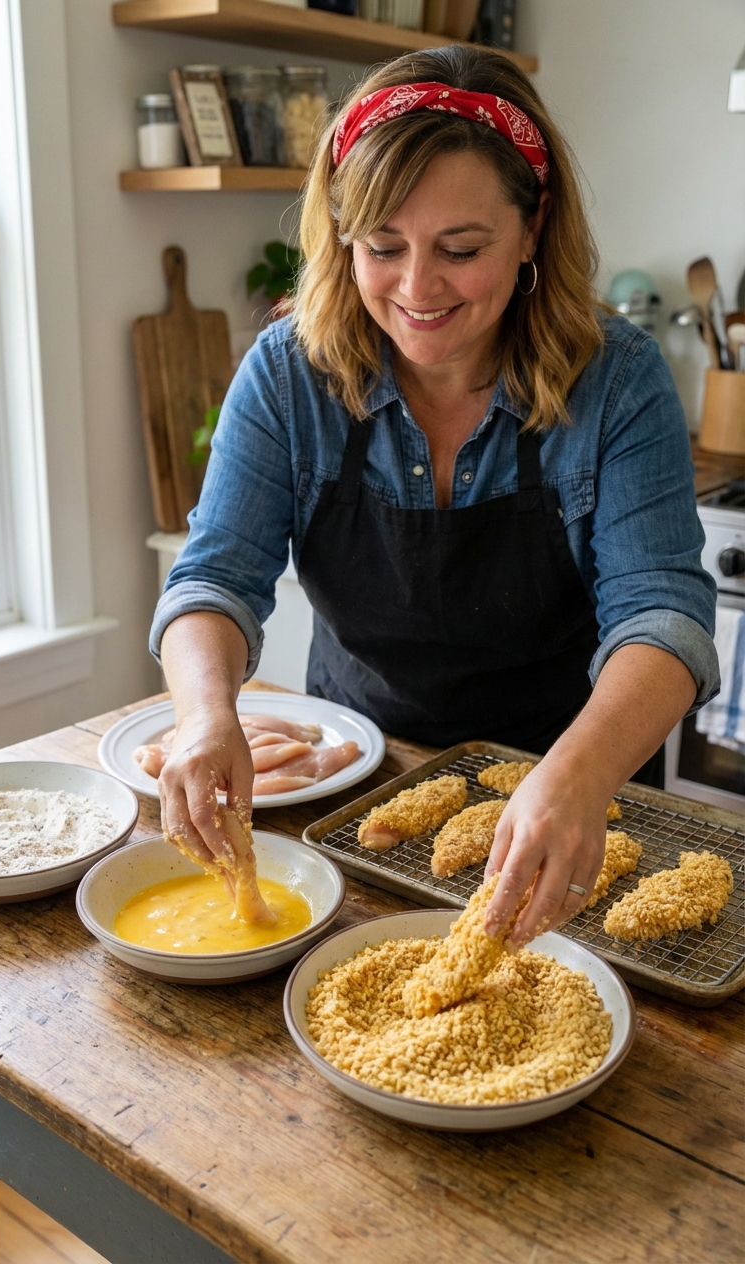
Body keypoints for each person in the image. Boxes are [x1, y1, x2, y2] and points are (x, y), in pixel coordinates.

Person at [149, 46, 718, 947]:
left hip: (576, 789)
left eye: (461, 249)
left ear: (533, 232)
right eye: (383, 247)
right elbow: (213, 576)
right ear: (342, 234)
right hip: (359, 792)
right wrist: (205, 716)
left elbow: (665, 615)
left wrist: (573, 775)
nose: (417, 289)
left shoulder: (619, 380)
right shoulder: (289, 375)